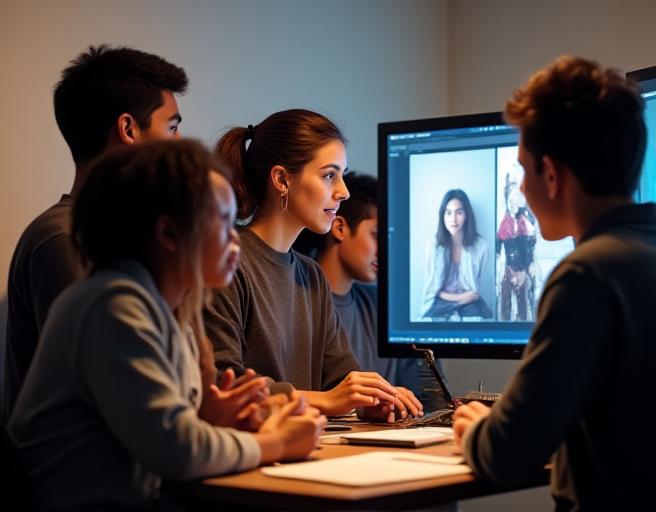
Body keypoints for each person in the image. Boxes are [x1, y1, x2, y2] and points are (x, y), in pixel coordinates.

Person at [452, 56, 656, 510]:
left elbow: (506, 455)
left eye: (523, 171)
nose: (522, 192)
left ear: (551, 175)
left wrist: (475, 430)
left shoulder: (587, 274)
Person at [9, 139, 326, 510]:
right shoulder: (114, 305)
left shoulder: (161, 308)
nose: (235, 241)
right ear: (169, 234)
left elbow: (157, 432)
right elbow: (175, 449)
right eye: (223, 223)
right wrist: (276, 443)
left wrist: (208, 422)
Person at [3, 45, 188, 421]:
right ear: (128, 129)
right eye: (172, 126)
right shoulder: (64, 239)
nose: (180, 141)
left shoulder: (125, 240)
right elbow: (116, 386)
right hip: (81, 474)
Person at [205, 109, 422, 422]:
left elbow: (341, 377)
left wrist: (372, 397)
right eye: (329, 175)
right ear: (281, 179)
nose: (343, 191)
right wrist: (329, 399)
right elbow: (225, 385)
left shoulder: (311, 275)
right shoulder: (225, 262)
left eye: (342, 175)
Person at [293, 172, 422, 396]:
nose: (385, 251)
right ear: (340, 228)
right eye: (376, 236)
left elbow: (426, 394)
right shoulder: (299, 300)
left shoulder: (383, 307)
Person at [420, 189, 492, 320]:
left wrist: (468, 298)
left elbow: (478, 291)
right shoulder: (433, 247)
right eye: (448, 213)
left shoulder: (482, 246)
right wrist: (460, 298)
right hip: (442, 300)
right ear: (442, 216)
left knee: (477, 326)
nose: (453, 219)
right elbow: (433, 288)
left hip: (471, 302)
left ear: (467, 215)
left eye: (459, 212)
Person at [496, 169, 537, 321]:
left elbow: (529, 247)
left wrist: (526, 270)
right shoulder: (503, 220)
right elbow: (499, 246)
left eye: (518, 185)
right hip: (508, 268)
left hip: (525, 269)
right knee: (504, 304)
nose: (514, 191)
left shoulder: (528, 220)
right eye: (511, 185)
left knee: (524, 306)